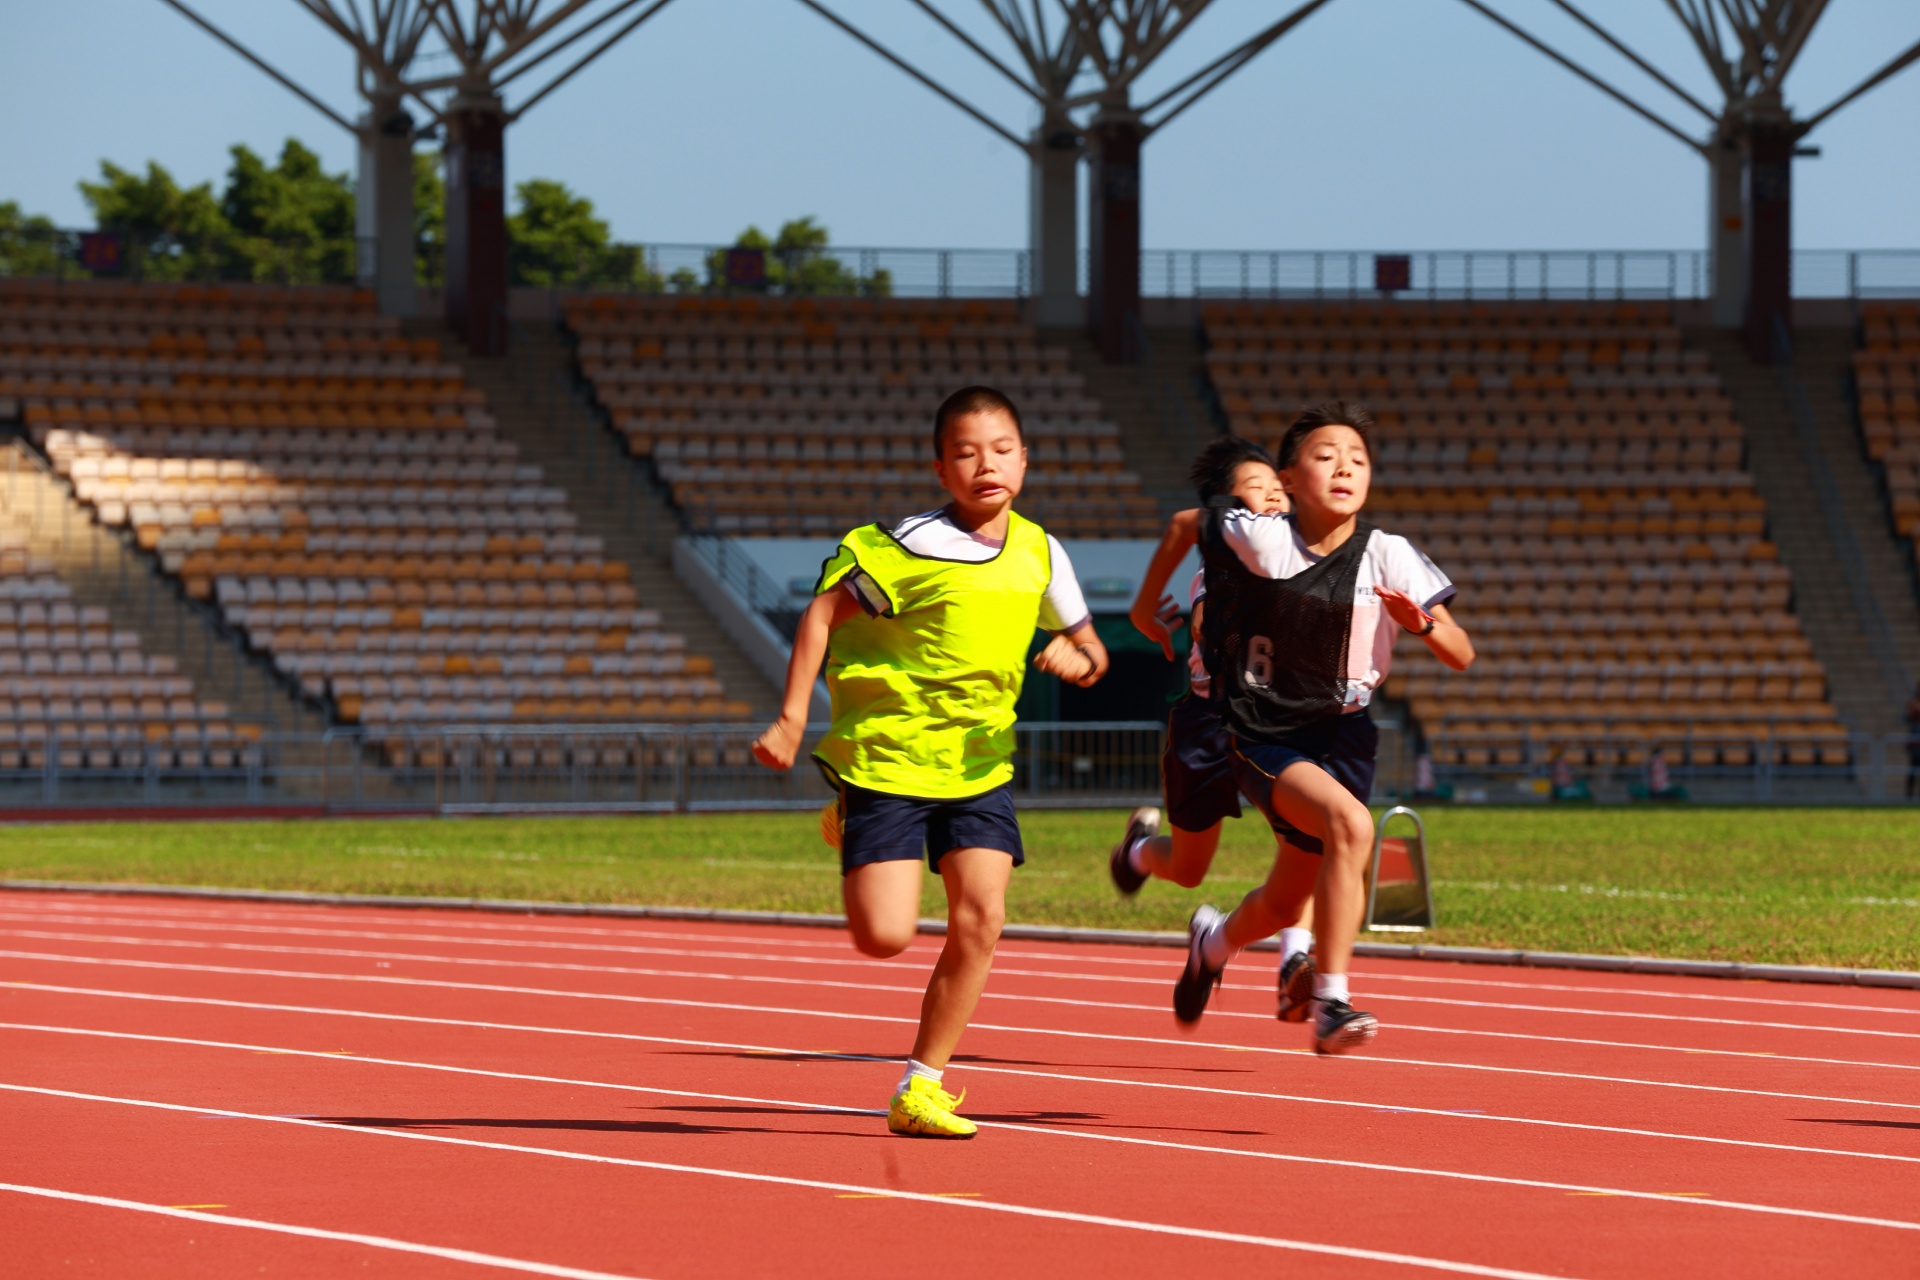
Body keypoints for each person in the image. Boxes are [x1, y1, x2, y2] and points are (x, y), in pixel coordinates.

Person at [752, 385, 1108, 1138]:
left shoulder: (1042, 552)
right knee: (884, 936)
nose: (987, 465)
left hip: (979, 766)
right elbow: (821, 614)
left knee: (983, 917)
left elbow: (1092, 647)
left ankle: (920, 1086)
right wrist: (791, 718)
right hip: (891, 758)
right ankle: (848, 811)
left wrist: (1079, 660)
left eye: (1001, 449)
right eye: (966, 453)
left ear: (1025, 459)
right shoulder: (907, 548)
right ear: (941, 469)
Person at [1171, 401, 1474, 1055]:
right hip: (1267, 733)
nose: (1344, 468)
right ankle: (1331, 1004)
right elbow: (1192, 528)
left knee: (1285, 903)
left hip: (1346, 737)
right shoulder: (1262, 542)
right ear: (1288, 479)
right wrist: (1172, 608)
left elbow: (1461, 652)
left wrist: (1421, 623)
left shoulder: (1389, 553)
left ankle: (1211, 945)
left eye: (1357, 459)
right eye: (1326, 456)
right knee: (1352, 826)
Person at [1109, 436, 1319, 1022]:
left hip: (1276, 728)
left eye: (1278, 488)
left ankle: (1295, 963)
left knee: (1307, 841)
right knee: (1189, 868)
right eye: (1256, 489)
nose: (1272, 496)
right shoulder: (1222, 565)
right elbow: (1204, 617)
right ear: (1226, 510)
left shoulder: (1313, 560)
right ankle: (1140, 851)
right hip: (1209, 724)